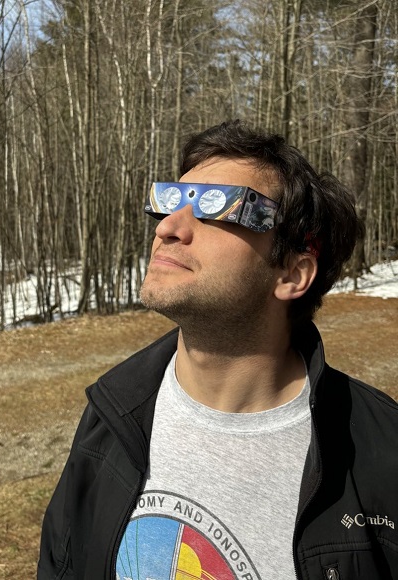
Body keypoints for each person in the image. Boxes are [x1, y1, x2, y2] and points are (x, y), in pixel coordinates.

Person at [37, 121, 398, 580]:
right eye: (171, 202)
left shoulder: (380, 459)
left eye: (216, 209)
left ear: (291, 273)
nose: (169, 227)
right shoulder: (113, 416)